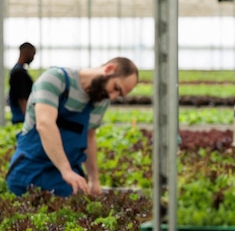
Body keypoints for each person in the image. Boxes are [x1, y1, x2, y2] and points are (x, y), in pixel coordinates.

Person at [6, 57, 139, 197]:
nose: (112, 97)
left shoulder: (101, 98)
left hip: (63, 180)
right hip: (29, 170)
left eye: (119, 95)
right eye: (116, 88)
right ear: (109, 69)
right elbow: (45, 124)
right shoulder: (55, 79)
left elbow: (89, 136)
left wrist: (94, 179)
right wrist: (66, 171)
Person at [8, 42, 37, 124]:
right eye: (33, 54)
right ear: (27, 52)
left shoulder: (18, 70)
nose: (33, 58)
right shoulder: (19, 73)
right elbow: (22, 98)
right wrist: (29, 119)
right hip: (21, 119)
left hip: (20, 117)